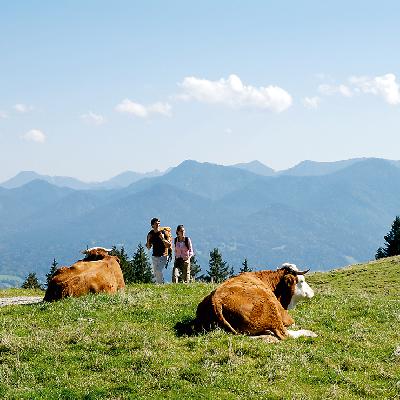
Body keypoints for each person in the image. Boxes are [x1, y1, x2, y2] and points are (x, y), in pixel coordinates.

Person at [146, 217, 172, 284]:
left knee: (158, 271)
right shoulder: (150, 234)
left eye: (158, 223)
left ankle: (160, 285)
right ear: (152, 225)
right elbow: (148, 247)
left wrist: (163, 239)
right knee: (155, 273)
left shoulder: (163, 233)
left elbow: (168, 245)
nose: (158, 225)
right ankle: (159, 285)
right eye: (156, 224)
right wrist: (148, 240)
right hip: (155, 256)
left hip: (163, 256)